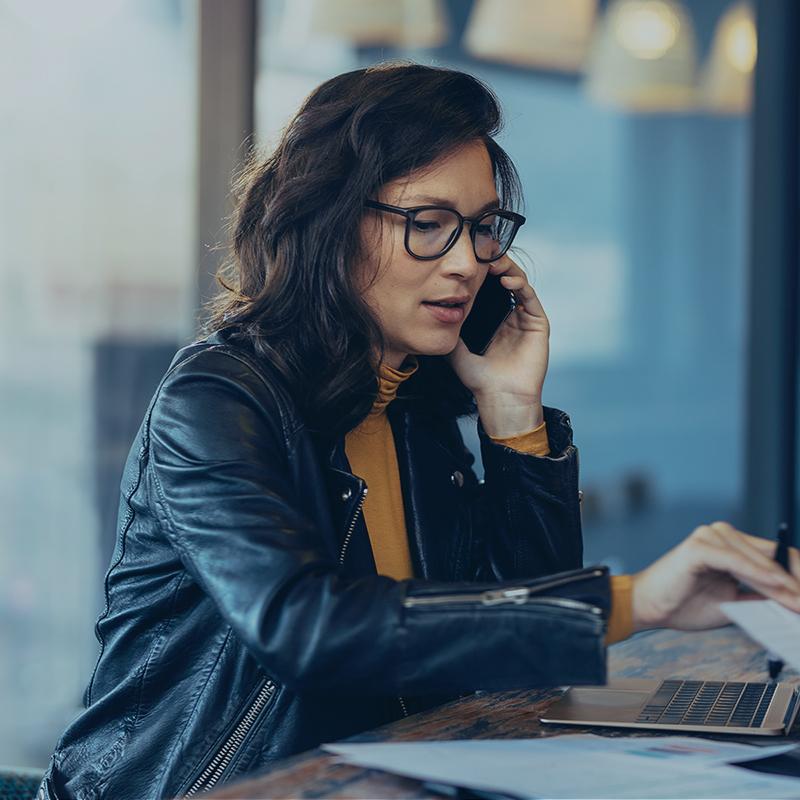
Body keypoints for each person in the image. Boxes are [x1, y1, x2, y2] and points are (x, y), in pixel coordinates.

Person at [40, 63, 800, 800]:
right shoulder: (218, 396)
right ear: (328, 221)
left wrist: (512, 415)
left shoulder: (414, 410)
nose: (468, 261)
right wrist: (631, 601)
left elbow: (515, 660)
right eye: (429, 224)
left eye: (480, 229)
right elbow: (308, 626)